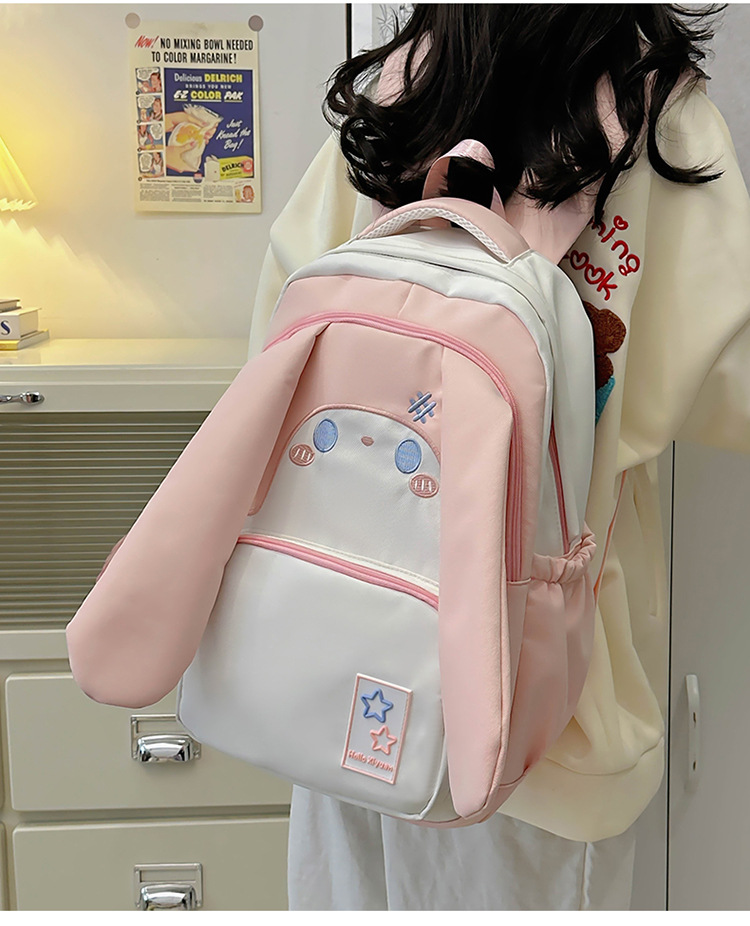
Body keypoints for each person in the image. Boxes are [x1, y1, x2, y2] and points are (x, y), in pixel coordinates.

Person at [247, 3, 750, 911]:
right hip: (545, 697)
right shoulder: (657, 116)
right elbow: (730, 385)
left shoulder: (401, 92)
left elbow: (274, 344)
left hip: (345, 639)